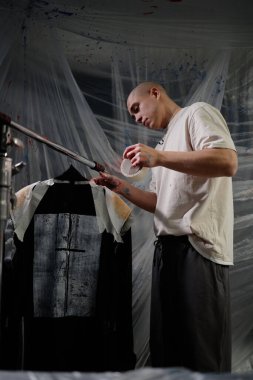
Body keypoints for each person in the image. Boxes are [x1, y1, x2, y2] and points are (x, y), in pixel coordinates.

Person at [93, 82, 238, 372]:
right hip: (167, 253)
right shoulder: (160, 146)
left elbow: (227, 161)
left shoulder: (196, 114)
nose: (136, 117)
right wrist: (120, 187)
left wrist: (159, 158)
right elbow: (161, 203)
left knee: (201, 355)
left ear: (155, 93)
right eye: (132, 115)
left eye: (136, 108)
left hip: (198, 248)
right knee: (168, 354)